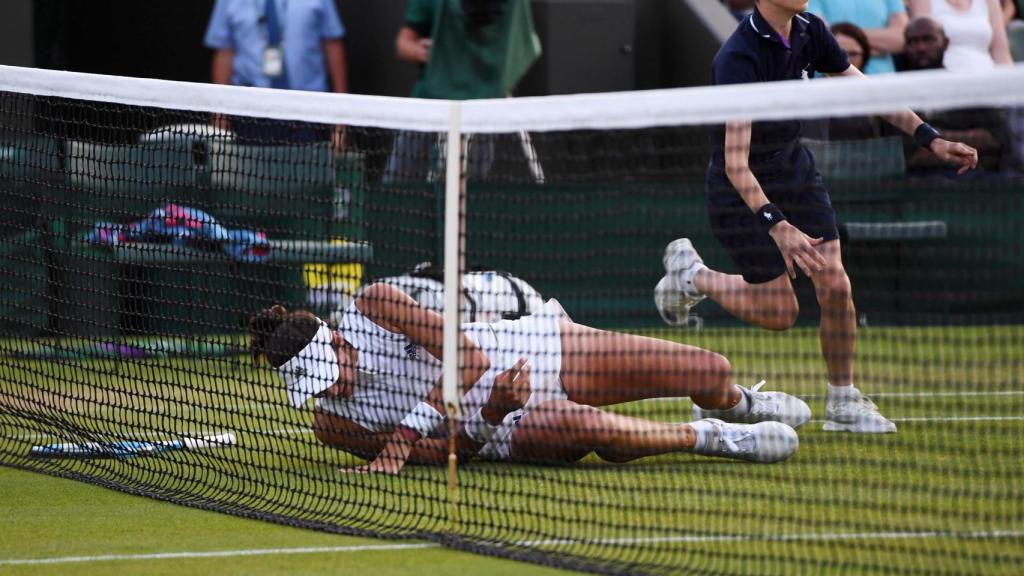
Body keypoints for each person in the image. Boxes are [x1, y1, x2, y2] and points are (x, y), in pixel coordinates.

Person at [655, 0, 979, 434]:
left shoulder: (811, 29)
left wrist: (930, 139)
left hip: (794, 170)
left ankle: (842, 401)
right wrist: (778, 224)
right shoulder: (738, 57)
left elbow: (867, 90)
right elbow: (735, 163)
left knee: (835, 282)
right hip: (740, 188)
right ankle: (694, 277)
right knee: (780, 313)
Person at [249, 282, 810, 475]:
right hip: (505, 427)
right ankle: (714, 439)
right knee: (582, 426)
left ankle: (732, 405)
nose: (331, 390)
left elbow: (465, 359)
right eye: (317, 388)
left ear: (337, 340)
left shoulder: (373, 305)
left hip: (540, 348)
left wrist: (399, 441)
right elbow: (445, 453)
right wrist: (489, 413)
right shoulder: (332, 425)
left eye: (330, 373)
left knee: (709, 370)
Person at [382, 0, 541, 182]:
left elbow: (528, 47)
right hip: (426, 109)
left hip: (482, 113)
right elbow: (404, 42)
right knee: (396, 187)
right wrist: (420, 51)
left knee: (466, 195)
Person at [203, 0, 348, 145]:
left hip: (308, 112)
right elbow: (224, 51)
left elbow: (333, 45)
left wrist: (341, 117)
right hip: (250, 113)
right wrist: (219, 114)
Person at [901, 16, 1009, 173]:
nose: (921, 48)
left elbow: (996, 139)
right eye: (913, 42)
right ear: (905, 47)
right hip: (917, 183)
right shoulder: (896, 94)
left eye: (928, 39)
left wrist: (929, 137)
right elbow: (905, 154)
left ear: (945, 42)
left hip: (972, 179)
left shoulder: (968, 88)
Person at [807, 0, 908, 75]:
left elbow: (902, 39)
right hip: (830, 86)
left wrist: (842, 39)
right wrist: (883, 40)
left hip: (884, 84)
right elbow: (818, 38)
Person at [907, 0, 1014, 69]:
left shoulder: (990, 2)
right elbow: (920, 48)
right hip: (945, 81)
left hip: (988, 78)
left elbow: (1001, 53)